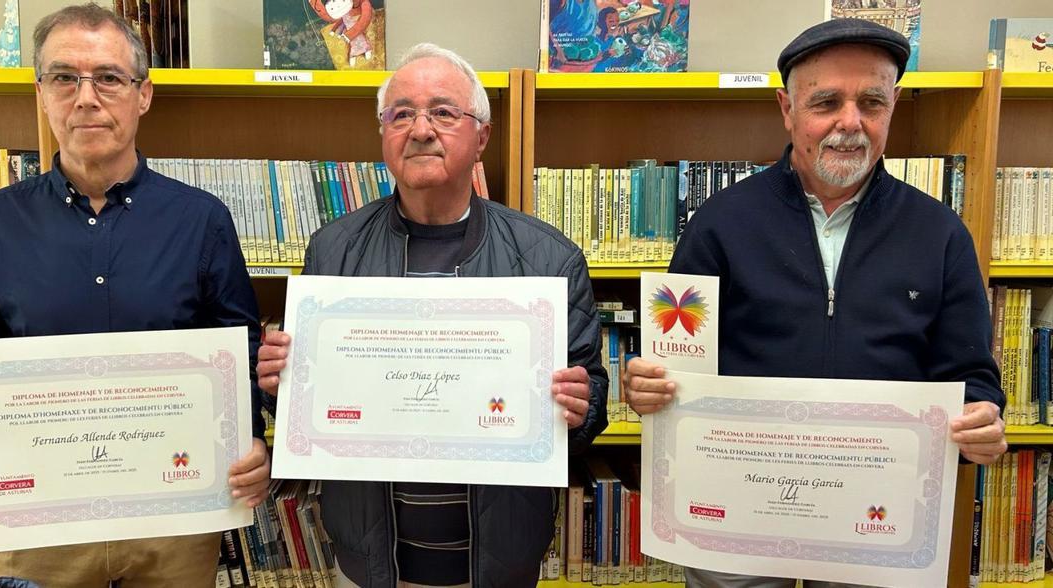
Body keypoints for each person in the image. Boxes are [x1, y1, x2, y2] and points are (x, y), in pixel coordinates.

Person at [0, 4, 269, 587]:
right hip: (38, 521)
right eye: (64, 78)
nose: (86, 97)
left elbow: (241, 357)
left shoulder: (203, 221)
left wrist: (257, 444)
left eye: (109, 78)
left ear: (143, 95)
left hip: (173, 518)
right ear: (41, 93)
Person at [623, 18, 1007, 588]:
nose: (850, 123)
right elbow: (676, 367)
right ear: (787, 107)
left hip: (876, 518)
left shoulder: (941, 233)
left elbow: (971, 375)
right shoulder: (720, 223)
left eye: (871, 102)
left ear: (893, 106)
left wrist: (984, 416)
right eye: (826, 101)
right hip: (740, 514)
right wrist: (646, 385)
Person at [255, 43, 609, 587]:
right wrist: (284, 383)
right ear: (383, 134)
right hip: (370, 560)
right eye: (401, 114)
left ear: (482, 136)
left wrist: (579, 407)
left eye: (443, 112)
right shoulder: (334, 250)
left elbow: (593, 404)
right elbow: (313, 403)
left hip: (499, 560)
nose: (421, 129)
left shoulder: (548, 258)